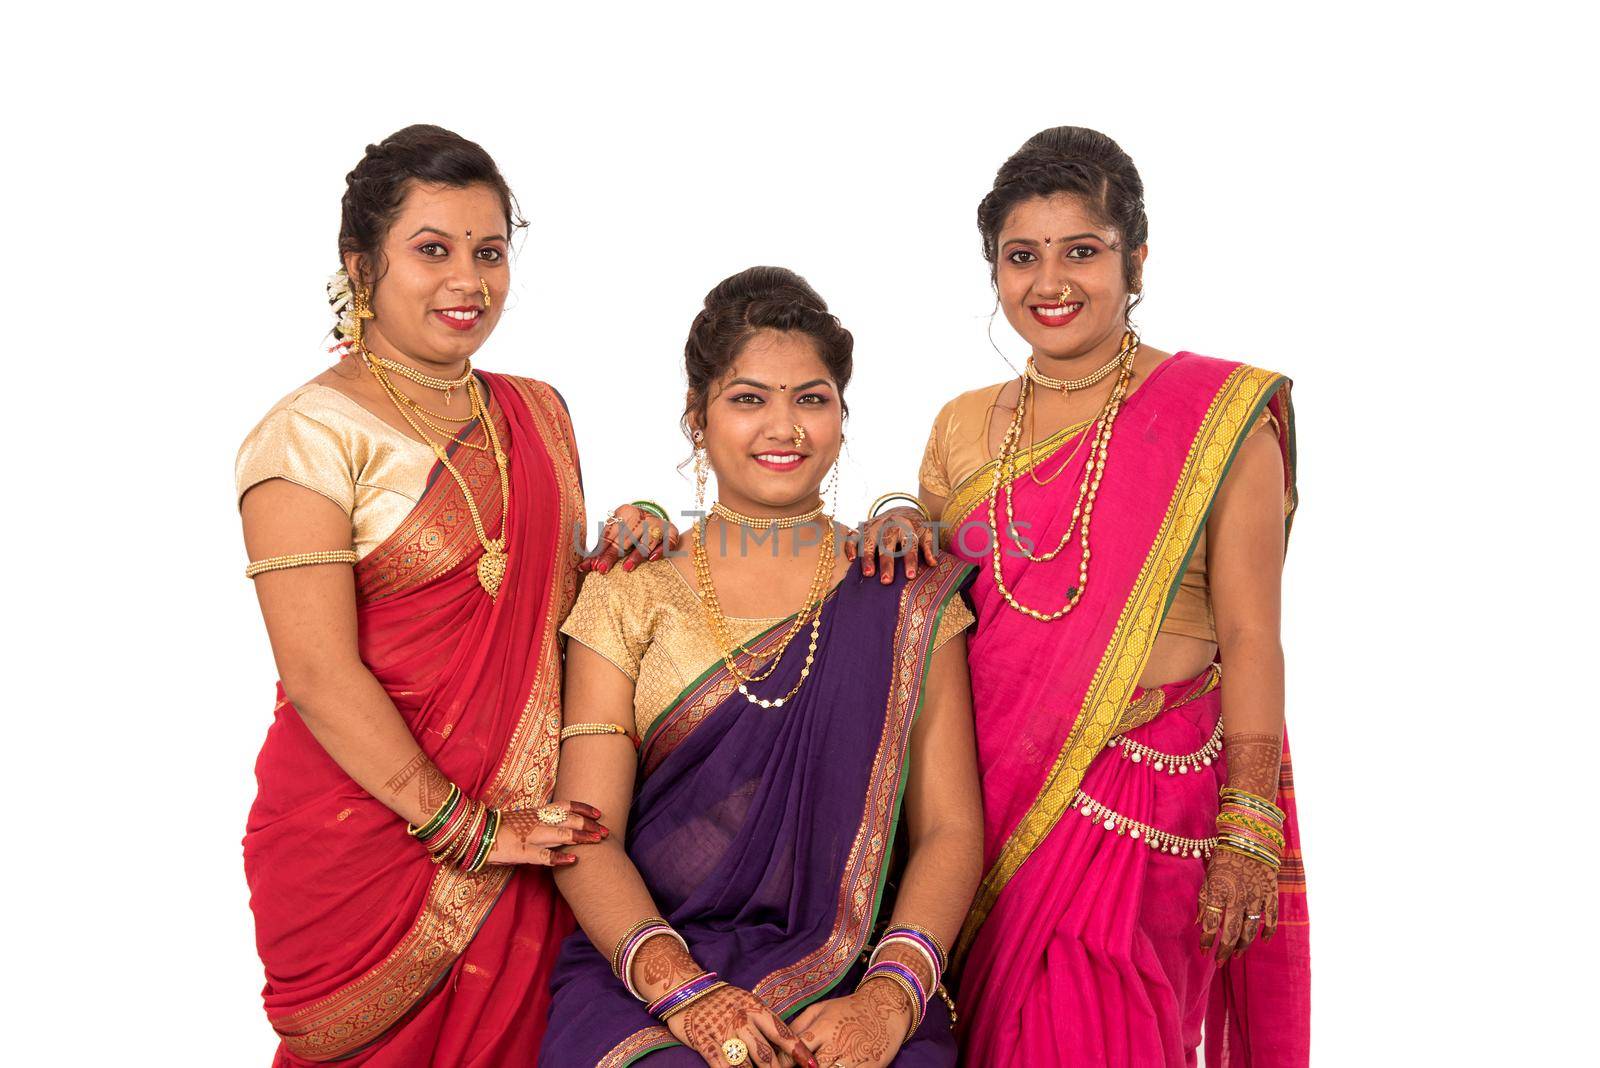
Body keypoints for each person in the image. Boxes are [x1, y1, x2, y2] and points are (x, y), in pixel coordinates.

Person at [877, 127, 1310, 1065]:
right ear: (992, 270)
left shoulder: (1218, 418)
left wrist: (1250, 826)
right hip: (986, 799)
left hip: (1145, 795)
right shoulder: (961, 422)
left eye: (1083, 251)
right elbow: (941, 593)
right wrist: (898, 517)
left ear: (1136, 260)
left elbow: (1251, 631)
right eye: (1020, 257)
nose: (1050, 282)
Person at [539, 267, 983, 1067]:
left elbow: (950, 829)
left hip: (855, 966)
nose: (784, 426)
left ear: (843, 419)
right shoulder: (629, 591)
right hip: (652, 968)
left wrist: (887, 1000)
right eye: (749, 399)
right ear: (696, 420)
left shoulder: (906, 594)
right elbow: (584, 833)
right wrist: (687, 994)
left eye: (811, 399)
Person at [235, 125, 603, 1065]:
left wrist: (632, 537)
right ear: (359, 266)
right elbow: (317, 672)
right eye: (431, 250)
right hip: (362, 842)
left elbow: (557, 612)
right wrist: (468, 830)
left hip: (532, 830)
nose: (467, 282)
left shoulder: (538, 411)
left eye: (489, 252)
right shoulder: (306, 438)